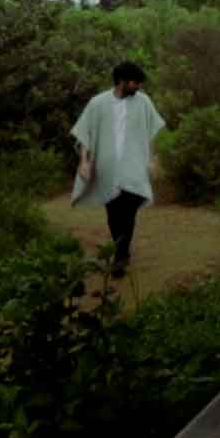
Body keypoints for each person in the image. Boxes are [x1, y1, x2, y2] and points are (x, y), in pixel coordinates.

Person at [71, 61, 167, 277]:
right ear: (121, 81)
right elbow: (85, 132)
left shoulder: (143, 101)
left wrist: (153, 158)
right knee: (114, 212)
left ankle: (121, 256)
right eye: (135, 82)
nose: (139, 86)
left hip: (135, 165)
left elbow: (150, 132)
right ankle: (120, 249)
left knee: (129, 207)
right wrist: (84, 162)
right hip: (107, 167)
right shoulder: (98, 103)